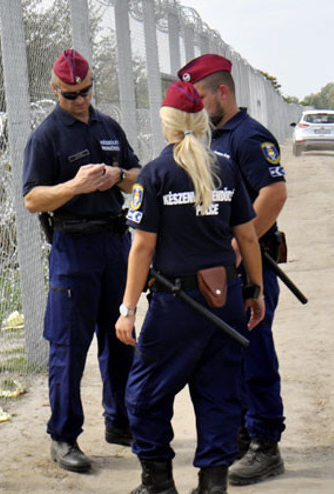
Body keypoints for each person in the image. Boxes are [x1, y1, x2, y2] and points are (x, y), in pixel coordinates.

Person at [115, 81, 265, 494]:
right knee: (219, 393)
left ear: (166, 125)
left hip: (175, 304)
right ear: (201, 122)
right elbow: (248, 237)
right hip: (225, 299)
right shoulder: (226, 167)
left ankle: (158, 482)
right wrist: (255, 291)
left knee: (144, 394)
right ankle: (213, 484)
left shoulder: (156, 174)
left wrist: (127, 310)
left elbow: (142, 247)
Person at [22, 48, 140, 473]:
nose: (79, 99)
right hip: (74, 249)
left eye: (85, 91)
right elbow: (33, 198)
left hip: (115, 244)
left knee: (121, 339)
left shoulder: (109, 126)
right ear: (55, 90)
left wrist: (118, 177)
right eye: (70, 94)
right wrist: (74, 185)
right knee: (69, 348)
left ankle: (121, 422)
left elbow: (138, 176)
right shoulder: (47, 136)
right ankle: (64, 436)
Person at [178, 54, 288, 486]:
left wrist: (240, 248)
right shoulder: (208, 137)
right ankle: (242, 435)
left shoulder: (247, 137)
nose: (197, 104)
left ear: (222, 92)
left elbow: (274, 194)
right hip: (219, 269)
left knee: (255, 352)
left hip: (249, 265)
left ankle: (266, 444)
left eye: (200, 95)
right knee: (229, 357)